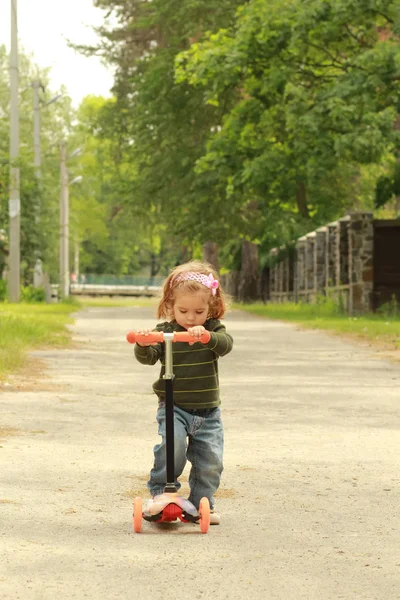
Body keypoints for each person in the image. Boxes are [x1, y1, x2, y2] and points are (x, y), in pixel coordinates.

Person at [133, 260, 233, 525]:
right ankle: (161, 494)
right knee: (172, 447)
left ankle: (202, 504)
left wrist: (208, 337)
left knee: (209, 460)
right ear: (170, 306)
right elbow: (149, 357)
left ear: (210, 308)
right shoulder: (165, 332)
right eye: (184, 310)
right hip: (173, 406)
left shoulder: (212, 329)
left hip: (208, 410)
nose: (191, 318)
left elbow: (225, 346)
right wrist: (144, 344)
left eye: (199, 311)